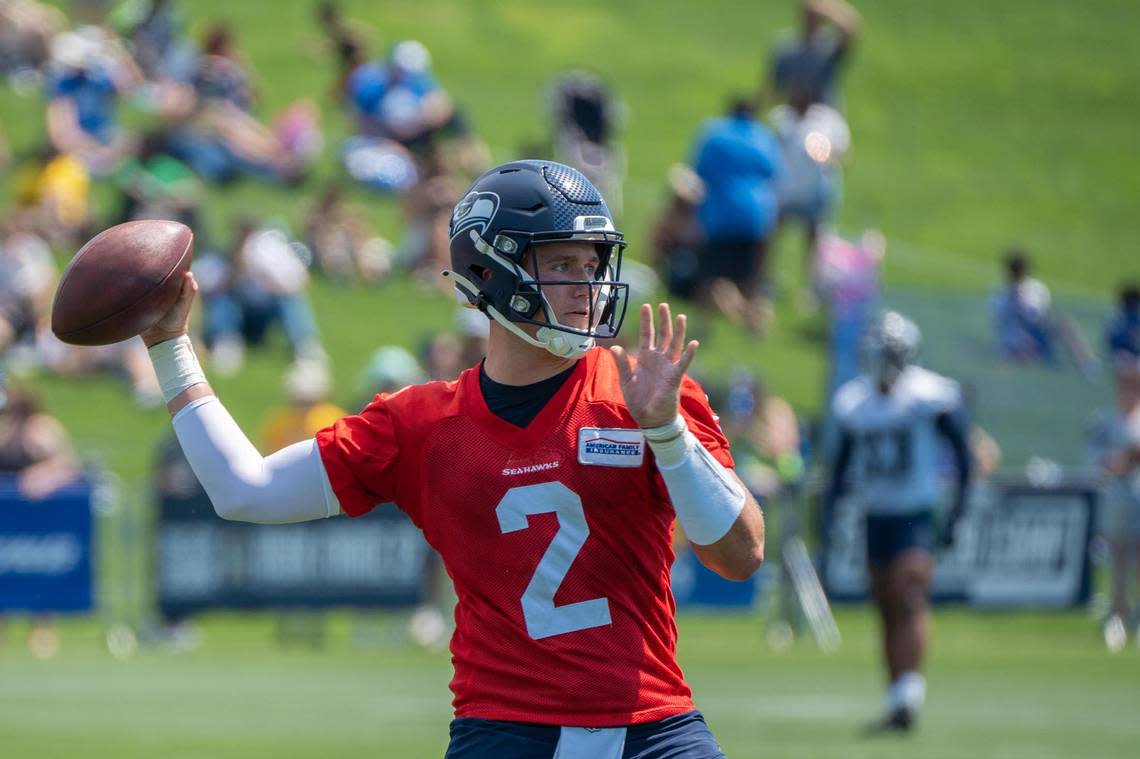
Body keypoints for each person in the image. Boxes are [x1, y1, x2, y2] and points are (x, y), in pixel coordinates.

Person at [137, 159, 764, 757]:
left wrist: (667, 435)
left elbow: (740, 556)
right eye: (564, 264)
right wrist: (169, 347)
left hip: (653, 727)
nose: (590, 285)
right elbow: (244, 489)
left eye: (594, 263)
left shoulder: (647, 393)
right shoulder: (421, 425)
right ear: (493, 274)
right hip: (505, 732)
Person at [824, 311, 972, 733]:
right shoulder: (856, 401)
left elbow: (962, 453)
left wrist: (959, 507)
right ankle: (897, 700)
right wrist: (832, 516)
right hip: (876, 514)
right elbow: (840, 468)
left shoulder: (928, 394)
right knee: (887, 605)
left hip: (915, 511)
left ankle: (909, 695)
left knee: (909, 595)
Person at [690, 96, 783, 333]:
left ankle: (703, 325)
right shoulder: (764, 137)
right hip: (757, 217)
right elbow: (774, 173)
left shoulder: (715, 134)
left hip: (721, 215)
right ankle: (755, 322)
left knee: (710, 277)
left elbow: (699, 170)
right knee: (751, 278)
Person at [1087, 360, 1140, 652]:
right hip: (1117, 496)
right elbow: (1095, 455)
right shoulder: (1107, 419)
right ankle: (1117, 617)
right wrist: (1115, 462)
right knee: (1119, 558)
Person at [769, 0, 861, 109]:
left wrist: (829, 10)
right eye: (808, 15)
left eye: (815, 17)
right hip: (796, 115)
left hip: (825, 114)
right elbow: (774, 89)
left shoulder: (829, 45)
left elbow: (851, 30)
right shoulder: (787, 48)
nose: (811, 20)